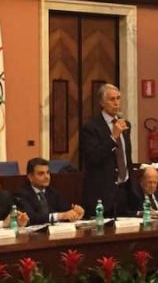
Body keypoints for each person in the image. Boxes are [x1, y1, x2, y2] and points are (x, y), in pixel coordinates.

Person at [80, 83, 133, 217]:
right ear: (102, 103)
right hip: (102, 194)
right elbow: (93, 157)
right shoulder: (91, 127)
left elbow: (126, 156)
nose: (116, 103)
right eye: (112, 99)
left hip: (124, 191)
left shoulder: (125, 124)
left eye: (118, 98)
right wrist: (113, 137)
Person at [14, 157, 84, 224]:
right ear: (30, 177)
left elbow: (64, 208)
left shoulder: (52, 192)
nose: (46, 177)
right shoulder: (21, 195)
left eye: (47, 172)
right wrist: (59, 216)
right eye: (41, 174)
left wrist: (75, 211)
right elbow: (31, 217)